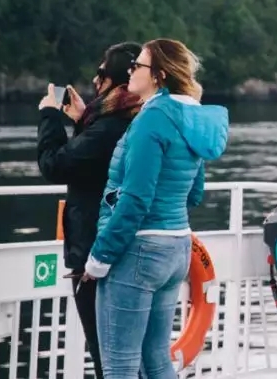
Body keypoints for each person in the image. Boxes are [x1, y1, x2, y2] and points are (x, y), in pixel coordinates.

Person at [82, 39, 230, 379]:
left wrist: (99, 258)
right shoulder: (192, 119)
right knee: (156, 362)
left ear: (159, 76)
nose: (130, 71)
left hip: (139, 251)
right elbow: (194, 193)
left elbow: (136, 199)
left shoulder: (153, 118)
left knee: (120, 366)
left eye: (138, 65)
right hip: (176, 247)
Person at [37, 42, 144, 379]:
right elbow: (92, 166)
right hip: (133, 249)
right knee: (135, 356)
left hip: (97, 253)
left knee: (106, 358)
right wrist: (83, 120)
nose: (95, 82)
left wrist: (50, 117)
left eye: (100, 73)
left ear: (111, 81)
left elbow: (55, 165)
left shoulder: (108, 128)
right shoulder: (134, 122)